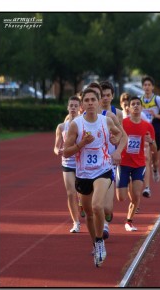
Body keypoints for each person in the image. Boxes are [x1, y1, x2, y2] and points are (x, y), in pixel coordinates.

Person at [63, 88, 125, 267]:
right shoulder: (76, 124)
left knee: (98, 206)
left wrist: (116, 141)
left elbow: (120, 133)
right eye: (87, 100)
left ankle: (99, 241)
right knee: (89, 214)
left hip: (103, 169)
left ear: (98, 103)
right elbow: (66, 151)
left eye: (93, 100)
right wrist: (81, 144)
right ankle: (96, 242)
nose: (90, 103)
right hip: (83, 174)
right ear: (82, 104)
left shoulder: (106, 121)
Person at [88, 82, 127, 239]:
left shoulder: (111, 115)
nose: (103, 98)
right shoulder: (81, 118)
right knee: (94, 206)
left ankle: (106, 217)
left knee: (107, 207)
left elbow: (122, 135)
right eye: (100, 95)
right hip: (88, 166)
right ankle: (99, 233)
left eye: (105, 95)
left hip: (108, 162)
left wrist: (117, 149)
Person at [116, 96, 157, 231]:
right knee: (121, 197)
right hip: (123, 163)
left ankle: (129, 221)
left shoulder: (147, 126)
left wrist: (150, 141)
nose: (135, 106)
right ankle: (126, 183)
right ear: (129, 107)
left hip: (139, 164)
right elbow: (116, 139)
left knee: (136, 195)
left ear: (141, 107)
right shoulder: (123, 123)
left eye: (138, 104)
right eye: (133, 104)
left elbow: (154, 148)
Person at [54, 95, 81, 233]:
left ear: (80, 108)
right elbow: (56, 146)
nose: (73, 108)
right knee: (71, 193)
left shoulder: (83, 124)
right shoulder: (61, 126)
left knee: (82, 194)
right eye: (71, 106)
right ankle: (76, 222)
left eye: (76, 106)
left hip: (82, 163)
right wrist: (57, 150)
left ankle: (82, 208)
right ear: (68, 107)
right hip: (67, 163)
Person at [140, 75, 160, 184]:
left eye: (149, 85)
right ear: (142, 87)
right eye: (145, 85)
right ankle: (141, 173)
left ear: (152, 87)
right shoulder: (139, 99)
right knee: (144, 155)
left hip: (155, 129)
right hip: (143, 130)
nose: (147, 87)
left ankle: (155, 169)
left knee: (155, 159)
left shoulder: (157, 99)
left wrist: (156, 115)